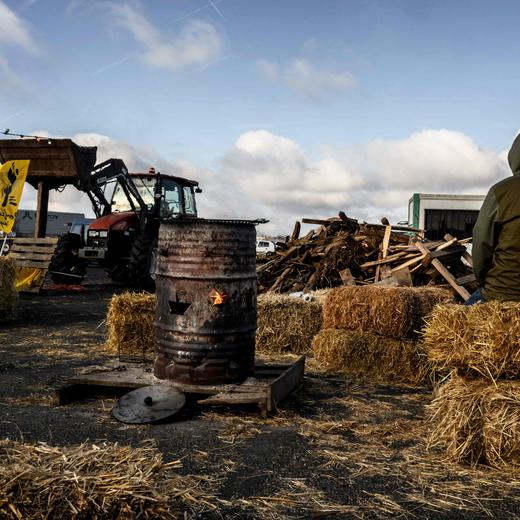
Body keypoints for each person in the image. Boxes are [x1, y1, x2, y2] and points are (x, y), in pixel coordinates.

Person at [472, 133, 520, 302]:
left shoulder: (501, 191)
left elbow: (481, 243)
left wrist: (483, 280)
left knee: (456, 323)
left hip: (504, 292)